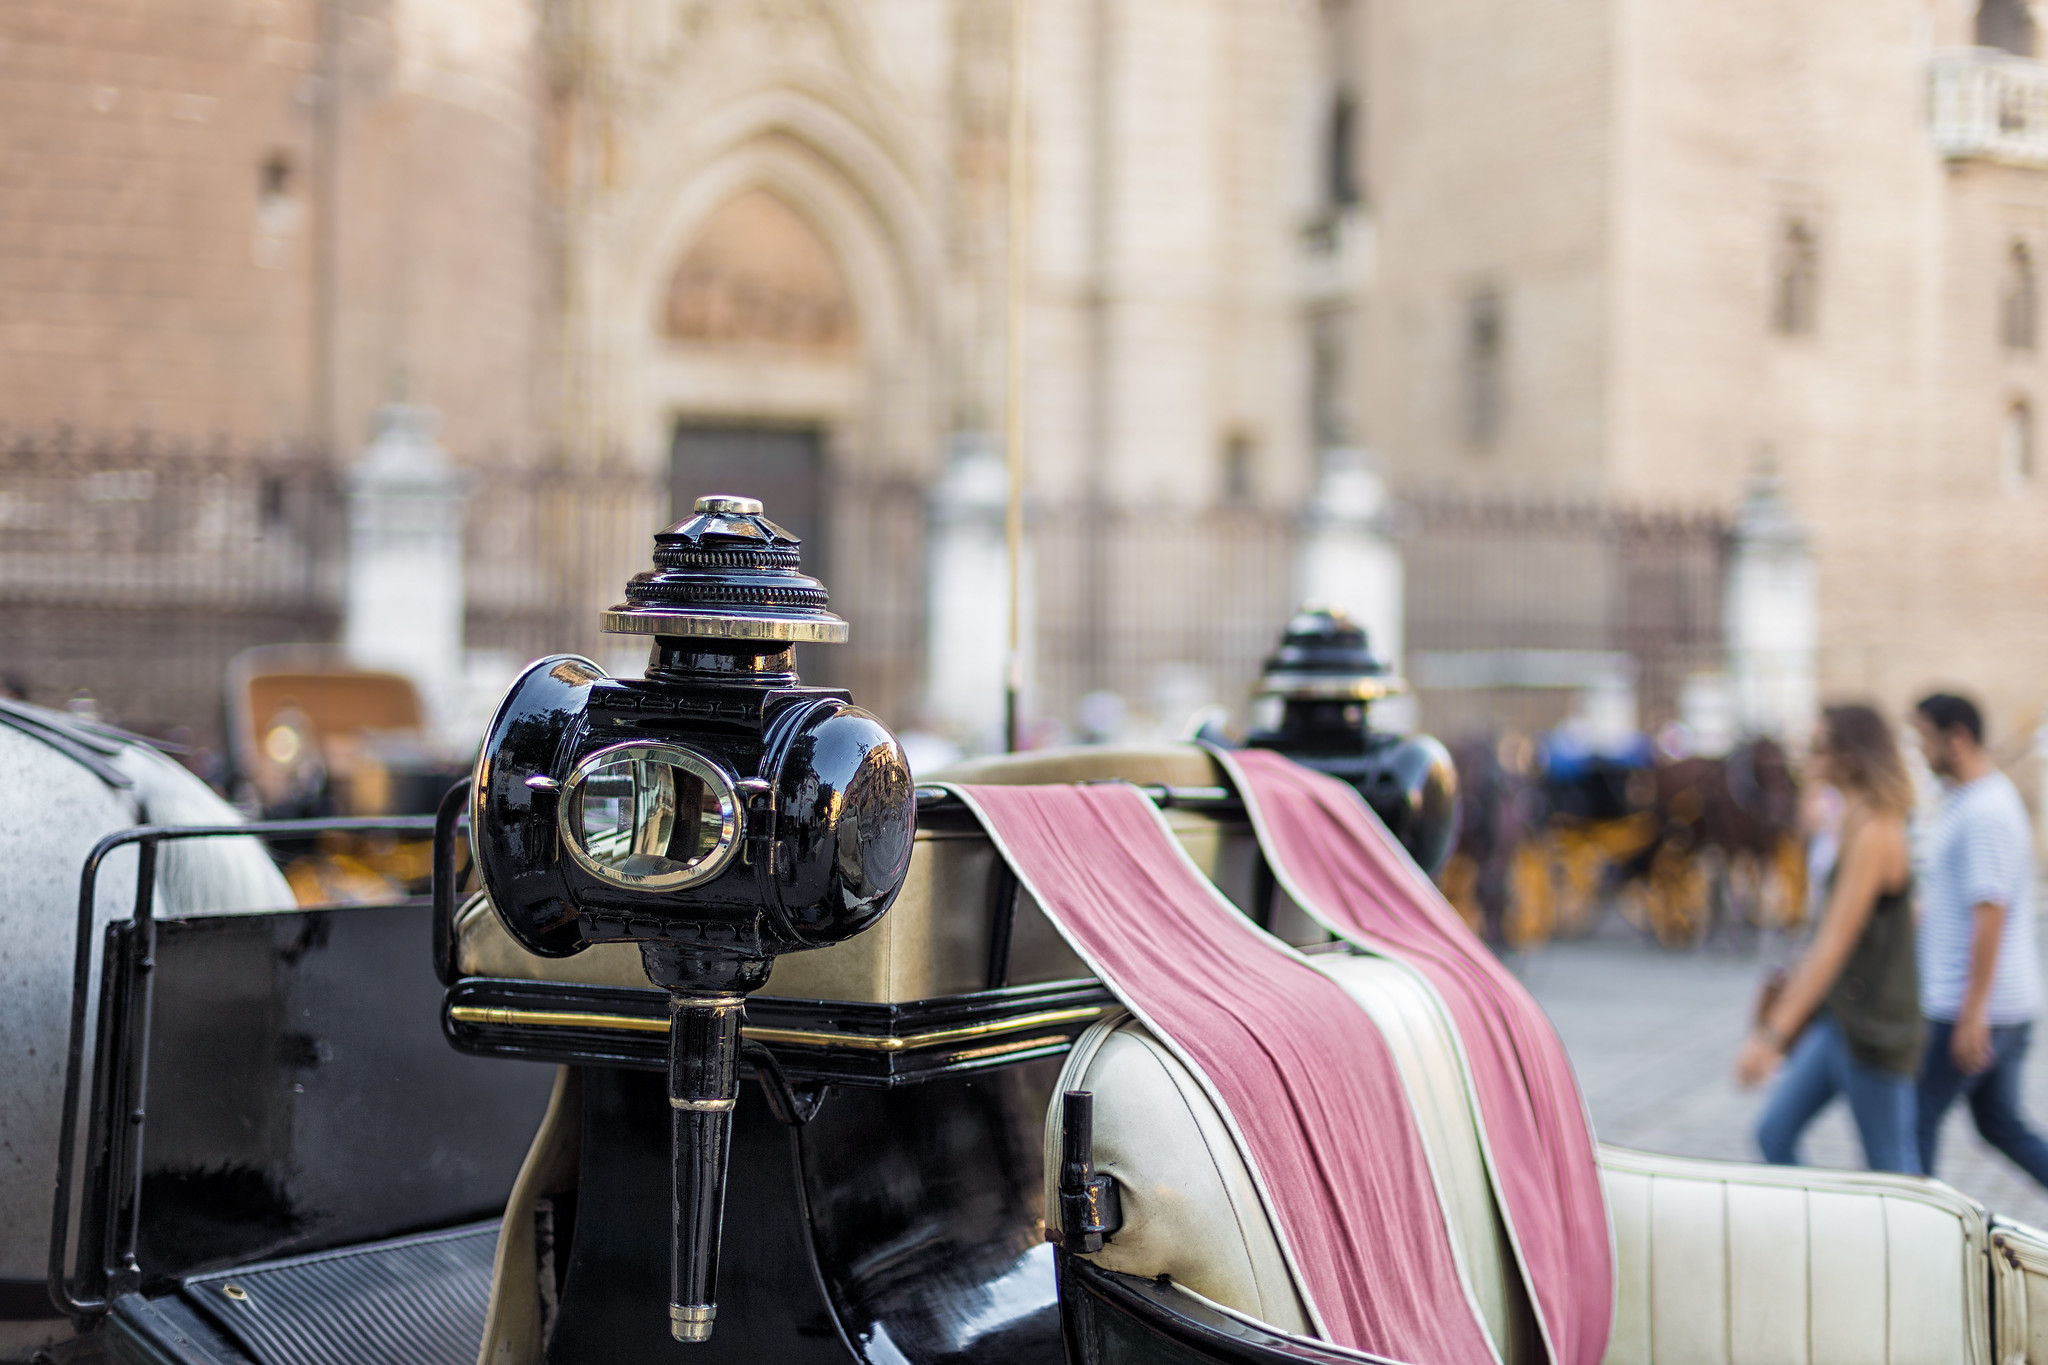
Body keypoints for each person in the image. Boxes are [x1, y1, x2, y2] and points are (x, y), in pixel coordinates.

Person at [1736, 704, 1921, 1174]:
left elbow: (1833, 943)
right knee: (1773, 1134)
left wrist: (1773, 1036)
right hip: (1840, 1017)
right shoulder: (1850, 820)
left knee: (1893, 1172)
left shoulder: (1877, 828)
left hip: (1874, 1026)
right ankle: (1823, 1219)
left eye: (1818, 747)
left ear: (1850, 757)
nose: (1806, 756)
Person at [1910, 692, 2048, 1186]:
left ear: (1958, 738)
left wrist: (1973, 1012)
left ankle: (1915, 1227)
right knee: (1999, 1124)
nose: (1920, 750)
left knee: (1913, 1121)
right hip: (1998, 1004)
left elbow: (1991, 910)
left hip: (1965, 1007)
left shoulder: (1985, 809)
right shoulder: (1969, 799)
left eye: (1924, 738)